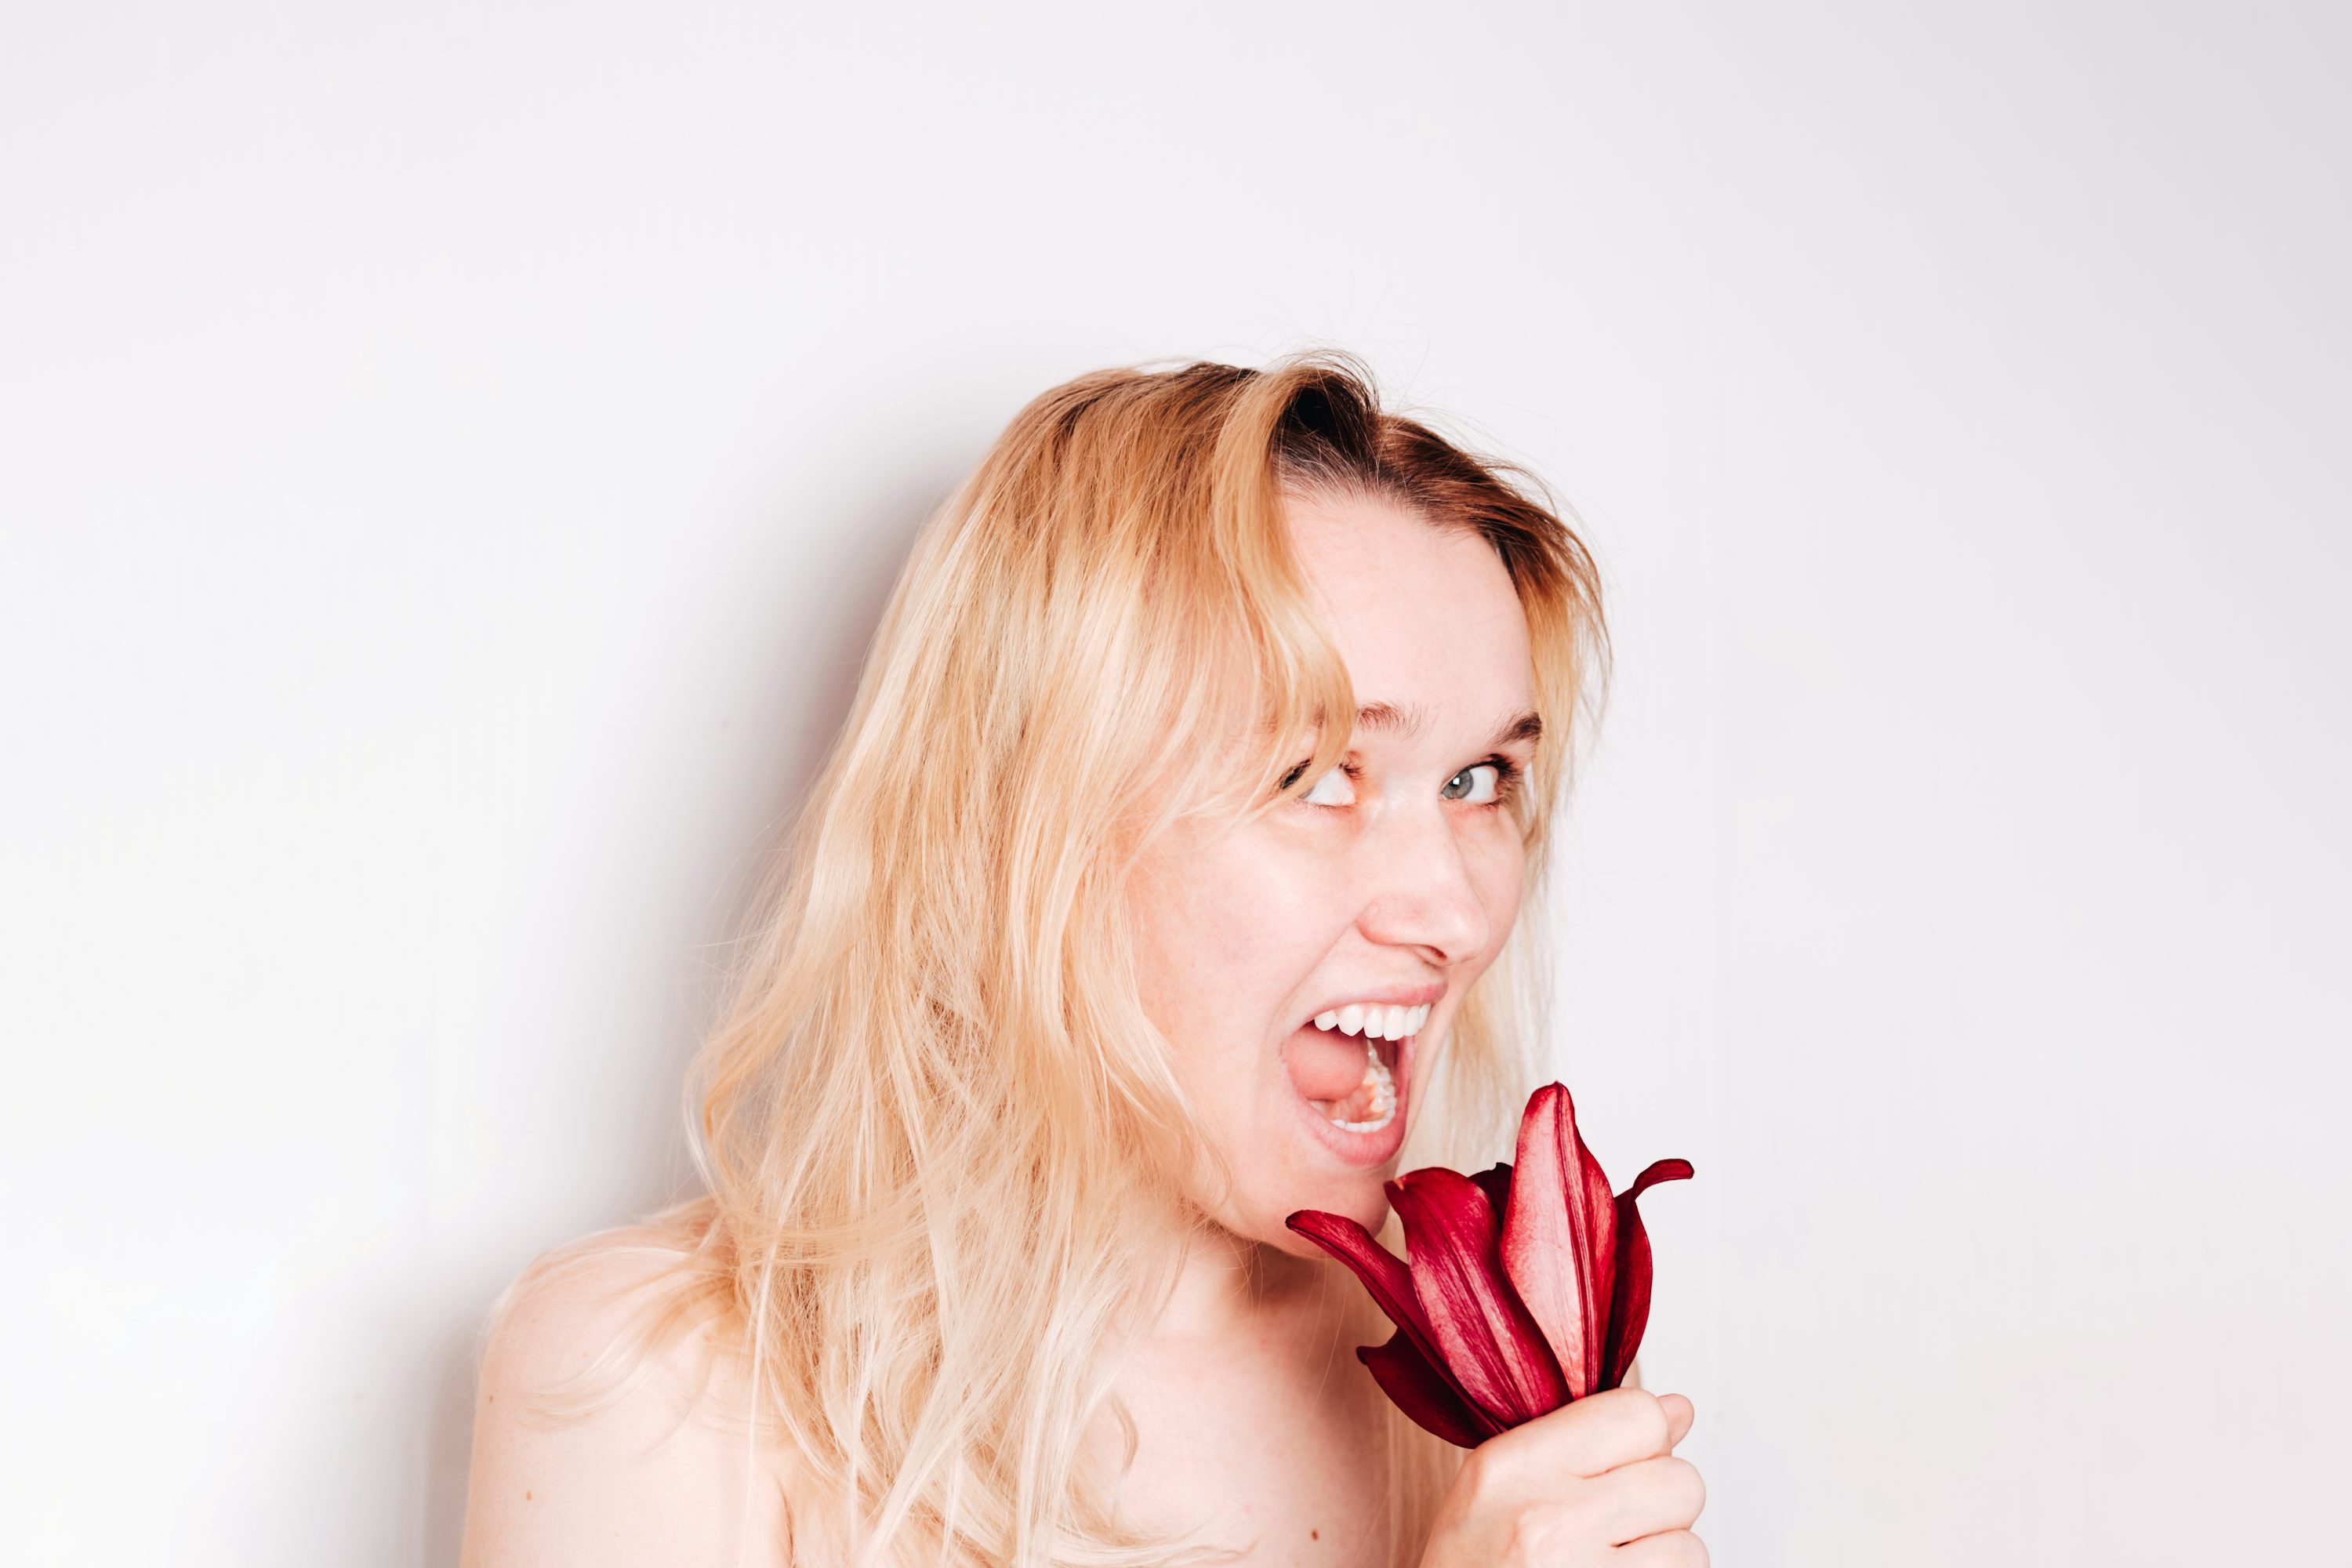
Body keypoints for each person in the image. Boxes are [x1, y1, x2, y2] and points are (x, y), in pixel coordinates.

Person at [456, 354, 1708, 1567]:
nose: (1457, 908)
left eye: (1479, 780)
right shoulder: (659, 1386)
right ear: (1032, 823)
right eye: (1324, 775)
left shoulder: (1501, 1393)